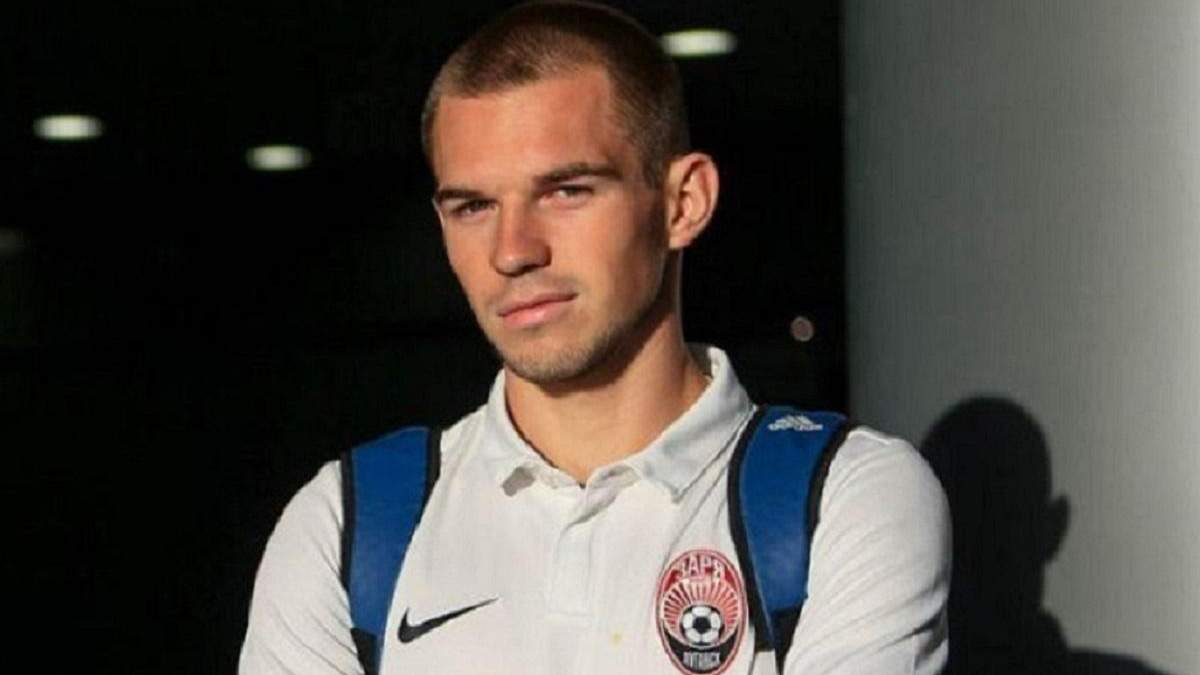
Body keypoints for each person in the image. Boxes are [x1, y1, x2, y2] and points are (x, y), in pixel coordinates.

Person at [239, 2, 950, 673]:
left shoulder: (842, 498)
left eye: (566, 191)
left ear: (683, 203)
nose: (512, 251)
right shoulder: (346, 524)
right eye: (474, 206)